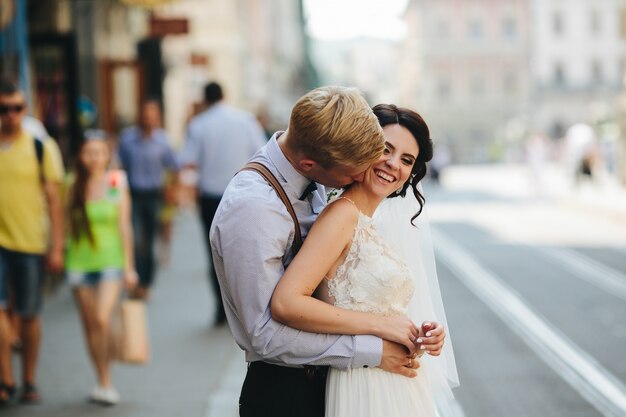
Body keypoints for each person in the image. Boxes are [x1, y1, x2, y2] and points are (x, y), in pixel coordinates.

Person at [210, 87, 446, 417]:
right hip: (289, 392)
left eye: (405, 159)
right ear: (310, 164)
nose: (368, 170)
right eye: (356, 168)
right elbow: (265, 334)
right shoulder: (254, 209)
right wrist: (375, 347)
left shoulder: (317, 172)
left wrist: (410, 330)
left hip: (343, 380)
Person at [271, 104, 458, 416]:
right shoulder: (341, 214)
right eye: (386, 149)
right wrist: (385, 326)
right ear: (363, 147)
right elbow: (286, 302)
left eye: (406, 160)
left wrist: (421, 333)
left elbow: (381, 307)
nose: (392, 164)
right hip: (365, 386)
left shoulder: (369, 224)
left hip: (398, 383)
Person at [0, 77, 65, 404]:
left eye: (17, 108)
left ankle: (28, 379)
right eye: (4, 109)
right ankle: (6, 379)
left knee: (28, 314)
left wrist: (56, 246)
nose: (10, 115)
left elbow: (55, 200)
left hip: (29, 242)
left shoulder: (41, 146)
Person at [180, 81, 267, 325]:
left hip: (211, 196)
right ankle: (245, 311)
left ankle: (222, 311)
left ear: (206, 99)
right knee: (245, 253)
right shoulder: (246, 120)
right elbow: (262, 152)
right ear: (224, 95)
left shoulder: (198, 124)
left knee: (215, 254)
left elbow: (187, 160)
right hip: (244, 193)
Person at [65, 130, 138, 405]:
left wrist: (129, 267)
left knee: (102, 318)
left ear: (108, 154)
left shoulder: (115, 181)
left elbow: (124, 225)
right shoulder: (72, 183)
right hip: (79, 262)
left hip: (111, 261)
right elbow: (65, 223)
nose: (93, 158)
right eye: (88, 152)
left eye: (99, 152)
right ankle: (102, 379)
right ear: (80, 156)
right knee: (89, 325)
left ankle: (106, 381)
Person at [118, 99, 179, 299]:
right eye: (145, 115)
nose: (148, 119)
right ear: (140, 116)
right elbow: (119, 167)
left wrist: (172, 190)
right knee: (136, 239)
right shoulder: (127, 139)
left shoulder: (163, 141)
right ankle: (136, 280)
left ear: (157, 118)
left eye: (152, 115)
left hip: (155, 196)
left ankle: (146, 283)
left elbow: (173, 166)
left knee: (150, 240)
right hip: (133, 195)